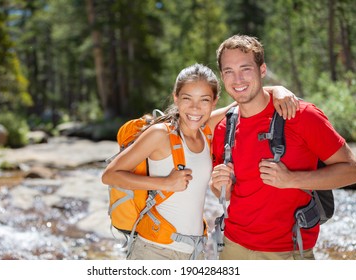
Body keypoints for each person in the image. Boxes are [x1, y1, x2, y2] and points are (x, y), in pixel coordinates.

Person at [102, 63, 298, 260]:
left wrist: (278, 90)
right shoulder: (160, 134)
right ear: (176, 97)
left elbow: (243, 101)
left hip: (195, 251)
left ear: (214, 101)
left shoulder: (206, 131)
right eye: (187, 98)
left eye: (204, 100)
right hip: (155, 250)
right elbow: (110, 175)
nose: (195, 108)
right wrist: (165, 183)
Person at [210, 34, 356, 260]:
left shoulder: (301, 115)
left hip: (288, 251)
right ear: (222, 76)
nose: (237, 79)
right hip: (232, 248)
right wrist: (219, 185)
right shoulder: (223, 128)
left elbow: (351, 170)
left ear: (262, 70)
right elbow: (226, 193)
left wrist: (292, 180)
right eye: (229, 71)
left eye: (246, 69)